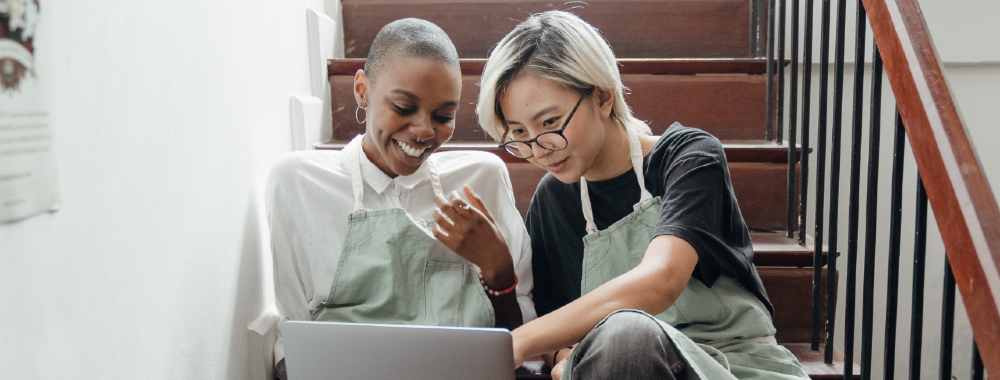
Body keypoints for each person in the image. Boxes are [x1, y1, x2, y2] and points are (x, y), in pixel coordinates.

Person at [476, 11, 808, 380]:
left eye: (550, 123)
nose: (538, 149)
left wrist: (518, 342)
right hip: (623, 366)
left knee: (626, 333)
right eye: (519, 133)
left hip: (735, 367)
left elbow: (660, 279)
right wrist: (564, 355)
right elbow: (557, 326)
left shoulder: (688, 157)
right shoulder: (553, 200)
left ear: (602, 97)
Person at [266, 18, 535, 378]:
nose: (425, 130)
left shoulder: (481, 177)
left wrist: (499, 272)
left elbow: (521, 342)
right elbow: (295, 339)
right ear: (362, 89)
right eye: (404, 108)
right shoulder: (297, 182)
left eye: (443, 116)